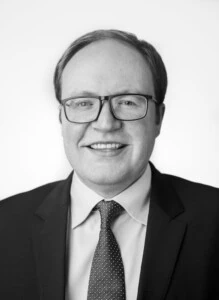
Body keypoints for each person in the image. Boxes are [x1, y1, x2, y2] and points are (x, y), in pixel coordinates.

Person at [0, 29, 219, 300]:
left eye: (127, 102)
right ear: (61, 119)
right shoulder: (4, 225)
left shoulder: (214, 220)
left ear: (158, 119)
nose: (105, 124)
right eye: (83, 103)